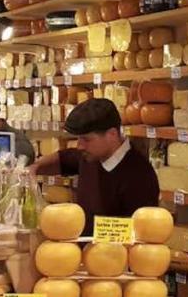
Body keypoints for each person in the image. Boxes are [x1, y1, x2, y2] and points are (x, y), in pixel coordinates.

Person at [28, 98, 159, 235]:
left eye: (86, 139)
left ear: (112, 134)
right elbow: (64, 158)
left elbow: (140, 233)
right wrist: (34, 168)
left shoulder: (140, 177)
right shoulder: (90, 156)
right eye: (78, 139)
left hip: (112, 254)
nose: (79, 146)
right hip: (80, 251)